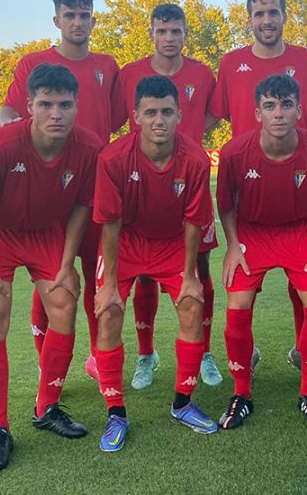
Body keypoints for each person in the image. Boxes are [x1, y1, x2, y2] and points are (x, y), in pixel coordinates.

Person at [0, 63, 101, 471]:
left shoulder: (89, 147)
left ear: (77, 105)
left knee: (64, 301)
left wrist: (66, 263)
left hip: (47, 234)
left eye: (64, 104)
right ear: (29, 106)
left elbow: (82, 205)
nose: (55, 113)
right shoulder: (0, 145)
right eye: (46, 104)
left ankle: (47, 407)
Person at [0, 0, 123, 380]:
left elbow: (116, 118)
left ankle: (98, 357)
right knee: (52, 273)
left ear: (93, 18)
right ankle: (46, 359)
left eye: (84, 15)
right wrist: (30, 152)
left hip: (97, 187)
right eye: (69, 15)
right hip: (53, 191)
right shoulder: (33, 64)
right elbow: (8, 114)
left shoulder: (108, 66)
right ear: (56, 20)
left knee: (97, 272)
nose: (77, 22)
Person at [93, 76, 219, 450]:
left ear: (180, 114)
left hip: (172, 243)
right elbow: (110, 224)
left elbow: (195, 220)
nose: (158, 120)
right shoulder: (113, 158)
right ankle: (116, 412)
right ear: (136, 117)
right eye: (150, 112)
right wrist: (110, 283)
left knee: (192, 304)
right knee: (109, 311)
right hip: (127, 242)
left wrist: (192, 275)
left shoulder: (195, 158)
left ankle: (182, 403)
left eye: (166, 111)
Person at [210, 0, 307, 372]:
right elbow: (214, 117)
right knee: (244, 280)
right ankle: (247, 353)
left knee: (304, 276)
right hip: (249, 185)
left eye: (273, 12)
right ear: (249, 19)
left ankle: (301, 348)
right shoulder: (230, 63)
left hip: (297, 183)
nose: (266, 20)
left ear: (284, 15)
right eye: (259, 13)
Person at [110, 3, 222, 390]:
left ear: (185, 33)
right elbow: (116, 122)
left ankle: (204, 350)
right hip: (144, 183)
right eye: (162, 31)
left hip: (187, 178)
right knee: (144, 274)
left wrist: (188, 134)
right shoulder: (129, 75)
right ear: (152, 33)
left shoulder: (202, 74)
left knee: (200, 270)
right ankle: (146, 354)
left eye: (176, 31)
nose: (169, 38)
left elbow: (213, 115)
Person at [216, 74, 307, 428]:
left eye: (286, 105)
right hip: (252, 233)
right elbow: (225, 205)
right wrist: (233, 246)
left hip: (299, 231)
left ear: (300, 110)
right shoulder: (234, 152)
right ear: (258, 113)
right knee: (237, 304)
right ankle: (241, 393)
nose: (279, 113)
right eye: (270, 106)